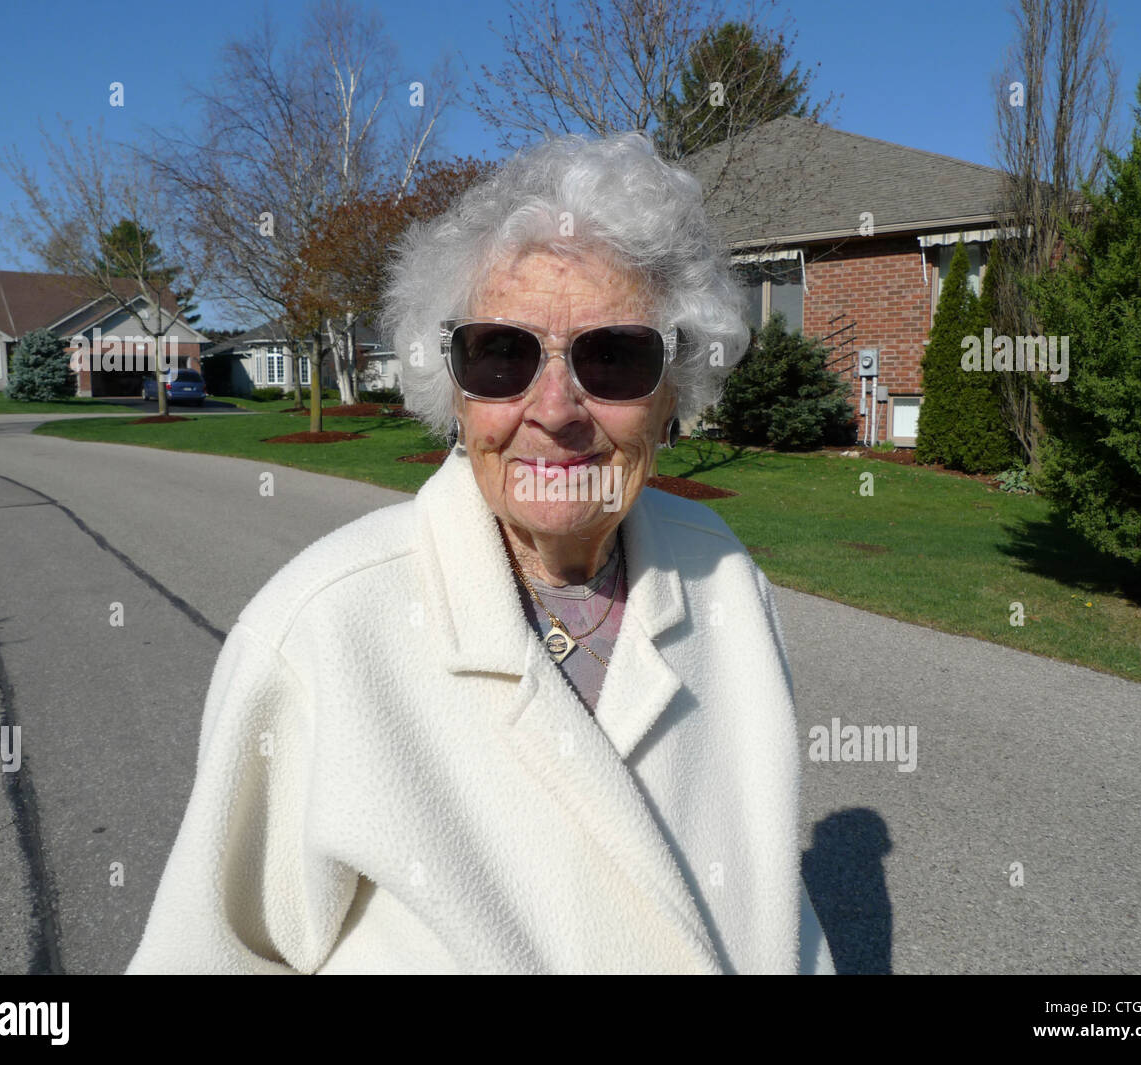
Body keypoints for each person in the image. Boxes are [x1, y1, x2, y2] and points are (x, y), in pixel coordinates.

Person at [127, 132, 834, 974]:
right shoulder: (320, 628)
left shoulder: (727, 580)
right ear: (452, 382)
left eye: (614, 355)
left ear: (677, 384)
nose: (556, 408)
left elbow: (773, 909)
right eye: (502, 353)